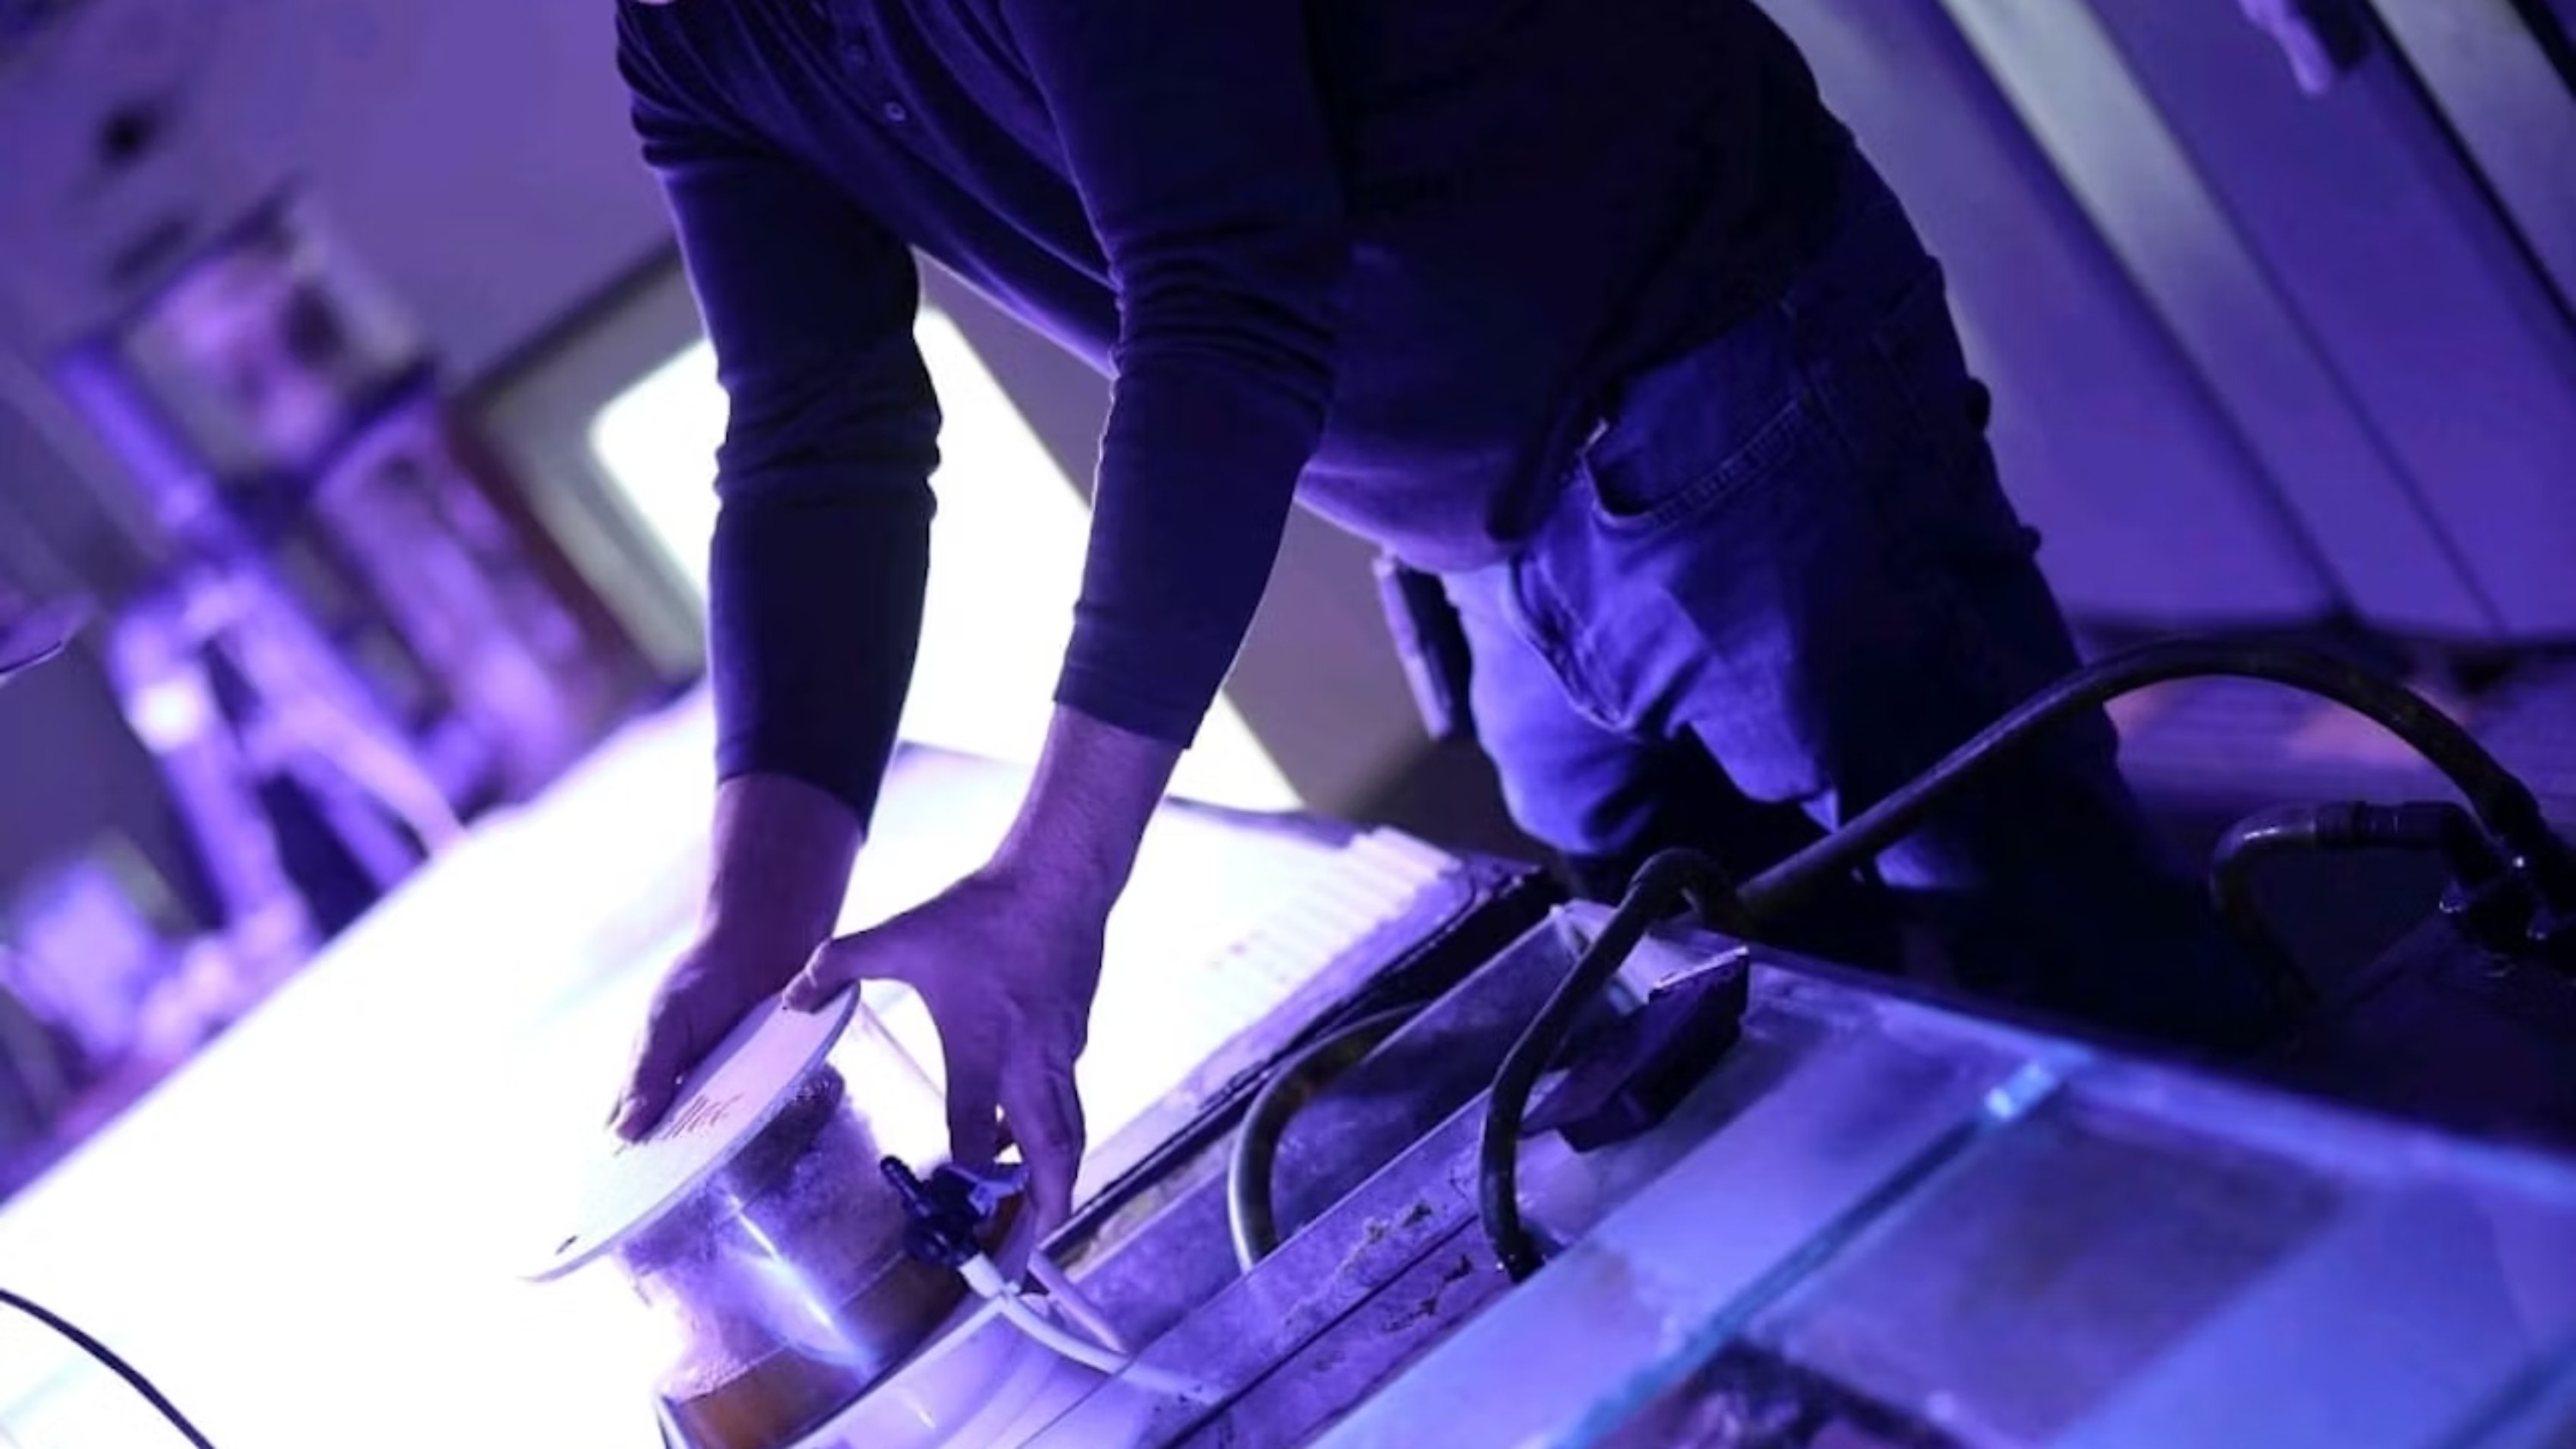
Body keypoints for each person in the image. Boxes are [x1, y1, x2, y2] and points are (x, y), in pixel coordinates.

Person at [605, 0, 2308, 1237]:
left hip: (1726, 364)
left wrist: (1051, 881)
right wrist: (758, 932)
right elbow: (815, 441)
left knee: (2096, 1007)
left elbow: (1223, 290)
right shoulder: (687, 30)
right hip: (1480, 545)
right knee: (1760, 1068)